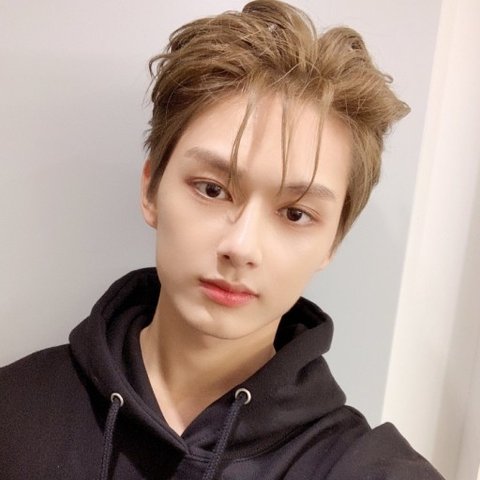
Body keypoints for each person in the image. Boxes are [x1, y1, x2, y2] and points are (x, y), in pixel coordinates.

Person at [0, 1, 444, 479]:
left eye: (296, 213)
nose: (242, 247)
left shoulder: (369, 469)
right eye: (212, 190)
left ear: (333, 242)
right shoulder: (14, 413)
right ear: (151, 189)